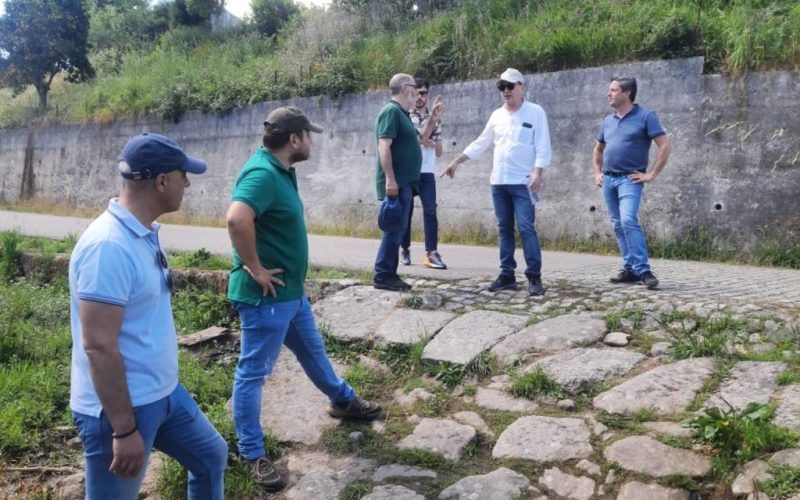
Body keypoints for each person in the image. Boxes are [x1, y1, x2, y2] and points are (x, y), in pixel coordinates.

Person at [226, 106, 382, 492]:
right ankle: (252, 454)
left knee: (313, 352)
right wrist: (255, 268)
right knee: (253, 374)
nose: (311, 141)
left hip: (289, 296)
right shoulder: (262, 173)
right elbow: (236, 219)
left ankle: (343, 401)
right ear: (294, 139)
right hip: (267, 299)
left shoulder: (280, 170)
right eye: (308, 135)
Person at [69, 133, 228, 499]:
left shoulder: (141, 233)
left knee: (210, 456)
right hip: (121, 410)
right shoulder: (108, 247)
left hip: (164, 395)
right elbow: (99, 346)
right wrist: (124, 430)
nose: (187, 183)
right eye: (183, 175)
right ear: (161, 181)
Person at [442, 68, 551, 296]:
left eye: (510, 86)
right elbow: (481, 143)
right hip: (499, 182)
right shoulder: (497, 115)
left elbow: (542, 144)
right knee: (504, 229)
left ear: (521, 87)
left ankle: (534, 276)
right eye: (501, 87)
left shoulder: (535, 112)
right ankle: (507, 274)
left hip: (523, 182)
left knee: (526, 227)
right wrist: (456, 161)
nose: (505, 91)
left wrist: (538, 172)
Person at [592, 76, 671, 290]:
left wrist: (652, 174)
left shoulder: (646, 116)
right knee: (618, 224)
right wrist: (598, 172)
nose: (609, 94)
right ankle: (630, 269)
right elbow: (598, 149)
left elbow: (664, 145)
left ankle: (643, 270)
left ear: (627, 93)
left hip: (630, 179)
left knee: (628, 220)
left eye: (613, 90)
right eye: (610, 90)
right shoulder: (608, 120)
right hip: (609, 179)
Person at [373, 73, 442, 292]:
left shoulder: (402, 114)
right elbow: (383, 146)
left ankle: (390, 274)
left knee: (398, 229)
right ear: (405, 88)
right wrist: (391, 180)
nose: (417, 93)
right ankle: (383, 275)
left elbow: (421, 138)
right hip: (397, 183)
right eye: (414, 88)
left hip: (404, 183)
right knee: (394, 229)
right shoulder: (391, 112)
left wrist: (433, 118)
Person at [400, 77, 447, 270]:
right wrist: (422, 139)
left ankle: (431, 252)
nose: (420, 97)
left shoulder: (434, 116)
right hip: (409, 170)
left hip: (427, 171)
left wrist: (431, 141)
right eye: (417, 92)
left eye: (423, 93)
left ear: (427, 94)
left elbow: (439, 151)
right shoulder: (404, 114)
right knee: (406, 212)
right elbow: (411, 140)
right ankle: (405, 248)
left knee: (430, 210)